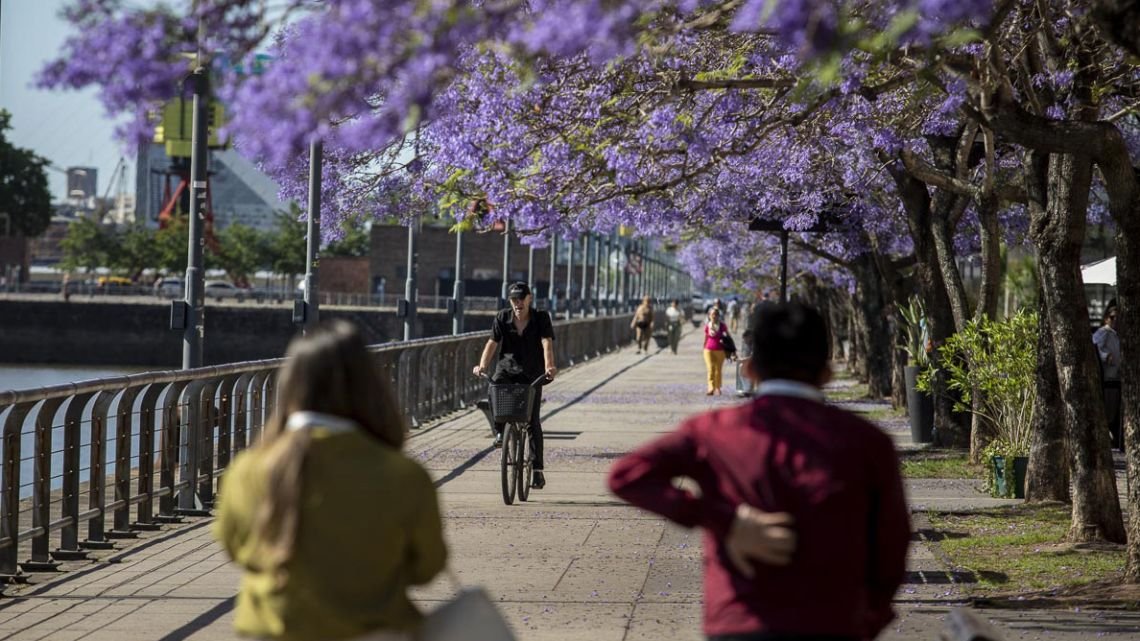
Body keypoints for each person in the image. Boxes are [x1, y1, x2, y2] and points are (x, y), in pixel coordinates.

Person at [608, 303, 910, 641]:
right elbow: (891, 546)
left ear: (750, 369)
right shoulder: (868, 442)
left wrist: (724, 520)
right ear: (827, 373)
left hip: (739, 620)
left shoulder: (714, 432)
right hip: (832, 621)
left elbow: (627, 476)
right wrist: (868, 618)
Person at [213, 320, 447, 641]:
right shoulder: (403, 476)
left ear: (290, 385)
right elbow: (428, 566)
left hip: (272, 629)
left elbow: (234, 547)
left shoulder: (247, 471)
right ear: (368, 386)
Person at [473, 282, 557, 489]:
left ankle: (537, 471)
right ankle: (500, 431)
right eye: (514, 299)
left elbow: (546, 342)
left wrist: (550, 366)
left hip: (532, 372)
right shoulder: (503, 317)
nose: (518, 303)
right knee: (494, 388)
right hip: (507, 369)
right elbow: (492, 342)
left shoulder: (541, 318)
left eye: (521, 298)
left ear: (529, 298)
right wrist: (482, 365)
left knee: (532, 421)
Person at [1093, 305, 1122, 450]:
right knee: (1109, 412)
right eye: (1112, 317)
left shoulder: (1116, 334)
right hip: (1108, 378)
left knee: (1114, 410)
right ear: (1106, 318)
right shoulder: (1104, 332)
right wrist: (1105, 356)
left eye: (1117, 318)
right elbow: (1095, 344)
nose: (1115, 320)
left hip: (1116, 377)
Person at [703, 307, 732, 395]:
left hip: (720, 350)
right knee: (710, 369)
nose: (714, 316)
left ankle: (718, 387)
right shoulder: (707, 325)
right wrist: (703, 347)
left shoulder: (722, 326)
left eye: (716, 314)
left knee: (718, 370)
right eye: (712, 314)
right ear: (709, 316)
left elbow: (727, 337)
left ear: (719, 316)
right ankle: (711, 388)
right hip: (708, 350)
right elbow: (706, 337)